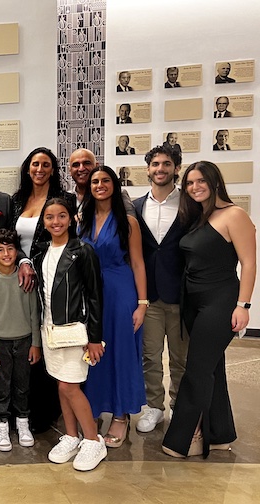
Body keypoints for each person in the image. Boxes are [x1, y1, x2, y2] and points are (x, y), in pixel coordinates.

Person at [162, 161, 256, 458]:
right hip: (194, 301)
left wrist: (243, 305)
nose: (194, 187)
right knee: (212, 368)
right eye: (189, 183)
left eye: (201, 181)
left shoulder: (234, 215)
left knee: (197, 370)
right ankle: (220, 435)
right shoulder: (198, 217)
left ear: (215, 182)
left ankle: (184, 438)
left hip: (221, 301)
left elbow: (250, 263)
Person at [33, 198, 107, 472]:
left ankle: (92, 439)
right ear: (44, 222)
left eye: (62, 216)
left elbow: (95, 296)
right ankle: (71, 435)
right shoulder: (41, 253)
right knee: (60, 386)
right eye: (50, 217)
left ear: (71, 218)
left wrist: (95, 337)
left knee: (70, 386)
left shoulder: (83, 251)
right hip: (49, 330)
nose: (56, 222)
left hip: (75, 331)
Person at [78, 166, 147, 448]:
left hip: (119, 292)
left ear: (114, 185)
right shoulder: (82, 219)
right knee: (91, 353)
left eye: (105, 180)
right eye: (95, 181)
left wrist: (142, 304)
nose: (100, 185)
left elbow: (138, 263)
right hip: (89, 293)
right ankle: (92, 410)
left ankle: (120, 415)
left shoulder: (127, 221)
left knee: (119, 352)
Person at [10, 147, 75, 432]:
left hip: (50, 277)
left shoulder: (66, 201)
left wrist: (34, 264)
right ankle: (22, 408)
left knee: (49, 339)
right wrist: (22, 262)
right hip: (18, 278)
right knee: (27, 341)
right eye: (35, 164)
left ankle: (47, 411)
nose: (39, 169)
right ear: (27, 168)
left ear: (53, 170)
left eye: (46, 164)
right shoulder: (16, 201)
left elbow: (63, 238)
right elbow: (10, 238)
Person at [133, 145, 189, 434]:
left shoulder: (189, 204)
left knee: (181, 358)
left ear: (176, 168)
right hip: (149, 296)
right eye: (155, 164)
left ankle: (179, 405)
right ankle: (154, 406)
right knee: (150, 356)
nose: (160, 169)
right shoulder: (136, 205)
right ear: (148, 169)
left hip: (181, 296)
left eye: (167, 164)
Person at [0, 229, 40, 451]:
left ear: (17, 251)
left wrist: (36, 343)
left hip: (25, 341)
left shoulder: (25, 277)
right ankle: (2, 423)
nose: (6, 254)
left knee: (22, 385)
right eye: (0, 250)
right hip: (0, 344)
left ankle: (23, 422)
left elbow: (34, 313)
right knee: (1, 387)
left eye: (10, 248)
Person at [69, 148, 136, 218]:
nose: (81, 168)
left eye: (87, 163)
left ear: (96, 166)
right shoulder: (65, 198)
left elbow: (131, 223)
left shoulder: (118, 194)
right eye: (76, 165)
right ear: (70, 170)